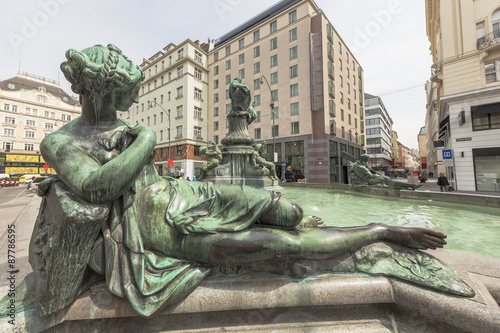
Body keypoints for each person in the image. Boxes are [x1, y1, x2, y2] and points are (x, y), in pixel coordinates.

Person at [33, 44, 448, 317]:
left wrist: (141, 144)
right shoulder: (61, 141)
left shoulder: (122, 128)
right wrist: (147, 141)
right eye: (122, 97)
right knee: (282, 245)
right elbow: (95, 188)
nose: (129, 105)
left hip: (186, 193)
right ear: (100, 91)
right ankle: (381, 231)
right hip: (154, 230)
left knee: (284, 211)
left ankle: (334, 229)